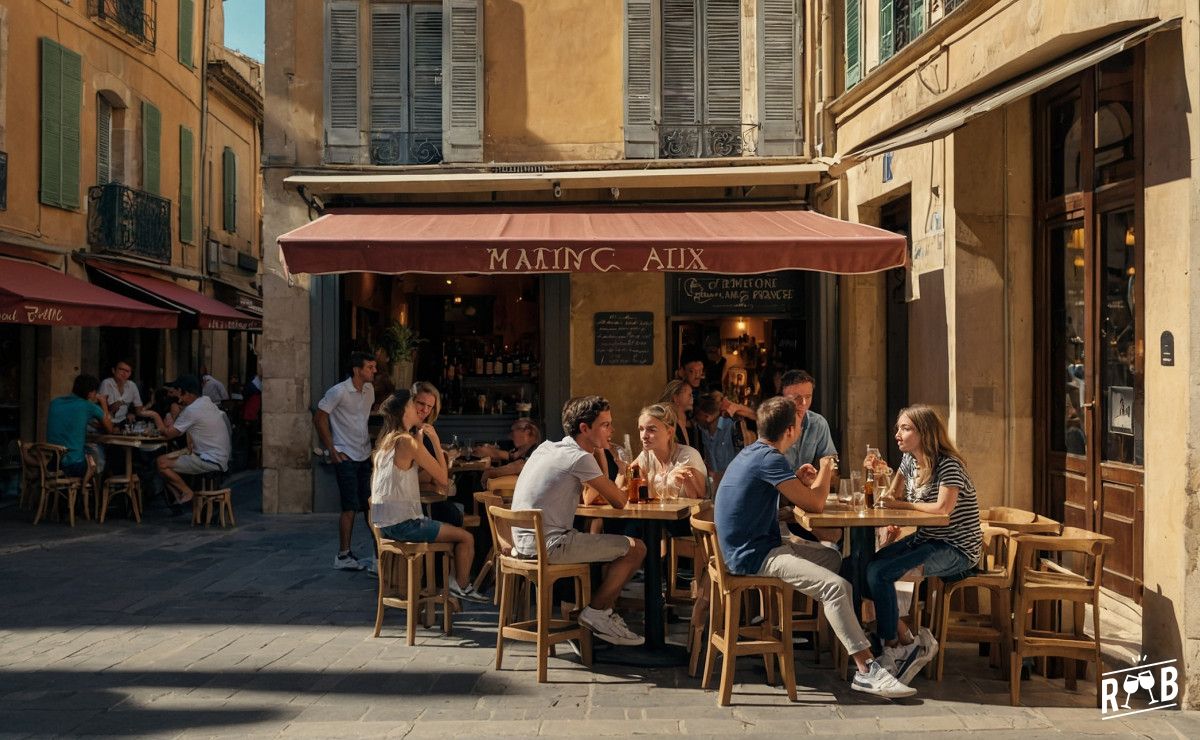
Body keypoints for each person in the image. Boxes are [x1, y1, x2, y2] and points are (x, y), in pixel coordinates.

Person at [714, 396, 916, 698]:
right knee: (835, 587)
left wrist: (795, 479)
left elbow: (772, 498)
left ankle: (852, 638)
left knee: (834, 560)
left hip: (753, 546)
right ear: (791, 431)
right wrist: (825, 466)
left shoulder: (752, 454)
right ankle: (866, 669)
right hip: (754, 556)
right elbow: (816, 504)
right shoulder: (770, 458)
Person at [511, 395, 647, 646]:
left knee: (601, 543)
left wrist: (601, 454)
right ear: (584, 428)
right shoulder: (579, 458)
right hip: (551, 545)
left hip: (522, 545)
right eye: (605, 425)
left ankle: (592, 616)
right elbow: (618, 500)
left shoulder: (547, 447)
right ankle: (597, 613)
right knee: (637, 548)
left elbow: (592, 495)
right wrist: (622, 465)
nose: (612, 430)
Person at [866, 404, 982, 685]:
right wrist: (882, 474)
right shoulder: (909, 461)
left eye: (905, 428)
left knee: (881, 573)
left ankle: (893, 645)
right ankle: (906, 638)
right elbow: (890, 498)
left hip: (955, 548)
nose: (897, 434)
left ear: (925, 433)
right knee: (865, 566)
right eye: (898, 428)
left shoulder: (948, 464)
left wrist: (899, 504)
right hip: (925, 540)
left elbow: (943, 509)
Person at [370, 390, 488, 603]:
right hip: (405, 525)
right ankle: (459, 586)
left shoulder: (388, 440)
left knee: (449, 528)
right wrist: (434, 441)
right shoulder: (407, 441)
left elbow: (410, 475)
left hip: (383, 525)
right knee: (465, 537)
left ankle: (447, 584)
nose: (419, 410)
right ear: (405, 410)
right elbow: (443, 478)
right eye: (414, 405)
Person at [314, 352, 377, 571]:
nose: (374, 371)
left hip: (364, 454)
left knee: (371, 506)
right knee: (350, 506)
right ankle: (343, 555)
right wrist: (331, 450)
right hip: (345, 455)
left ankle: (378, 555)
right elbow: (319, 417)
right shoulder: (338, 391)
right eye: (370, 367)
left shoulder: (369, 391)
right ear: (357, 370)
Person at [153, 375, 232, 506]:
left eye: (180, 394)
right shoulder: (206, 402)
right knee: (167, 458)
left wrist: (154, 415)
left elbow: (168, 434)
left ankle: (186, 491)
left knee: (161, 463)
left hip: (209, 459)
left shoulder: (192, 410)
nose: (178, 398)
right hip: (219, 456)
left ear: (188, 393)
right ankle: (180, 494)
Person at [408, 381, 462, 527]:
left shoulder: (425, 429)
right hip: (411, 499)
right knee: (453, 516)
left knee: (456, 511)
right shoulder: (406, 432)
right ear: (410, 402)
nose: (425, 410)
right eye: (421, 403)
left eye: (430, 407)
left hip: (427, 494)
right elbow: (415, 472)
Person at [46, 374, 114, 477]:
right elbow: (110, 428)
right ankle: (92, 491)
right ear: (91, 393)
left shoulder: (55, 402)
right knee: (99, 459)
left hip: (53, 463)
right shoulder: (88, 406)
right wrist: (103, 402)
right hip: (74, 465)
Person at [474, 419, 541, 485]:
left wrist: (492, 472)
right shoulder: (521, 450)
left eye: (513, 431)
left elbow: (521, 466)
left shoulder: (535, 452)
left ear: (527, 432)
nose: (510, 437)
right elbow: (510, 456)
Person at [693, 394, 738, 484]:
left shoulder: (731, 428)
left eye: (698, 417)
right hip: (714, 486)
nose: (696, 421)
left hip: (732, 483)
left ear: (708, 417)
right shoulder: (702, 432)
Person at [98, 359, 157, 427]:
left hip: (122, 424)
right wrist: (113, 407)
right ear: (113, 370)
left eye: (127, 371)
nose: (124, 373)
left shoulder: (132, 385)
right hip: (105, 423)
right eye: (121, 369)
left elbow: (139, 411)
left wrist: (150, 404)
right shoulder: (106, 383)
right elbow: (101, 410)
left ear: (130, 374)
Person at [658, 379, 705, 463]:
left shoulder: (692, 425)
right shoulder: (667, 423)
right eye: (689, 395)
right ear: (676, 398)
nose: (692, 398)